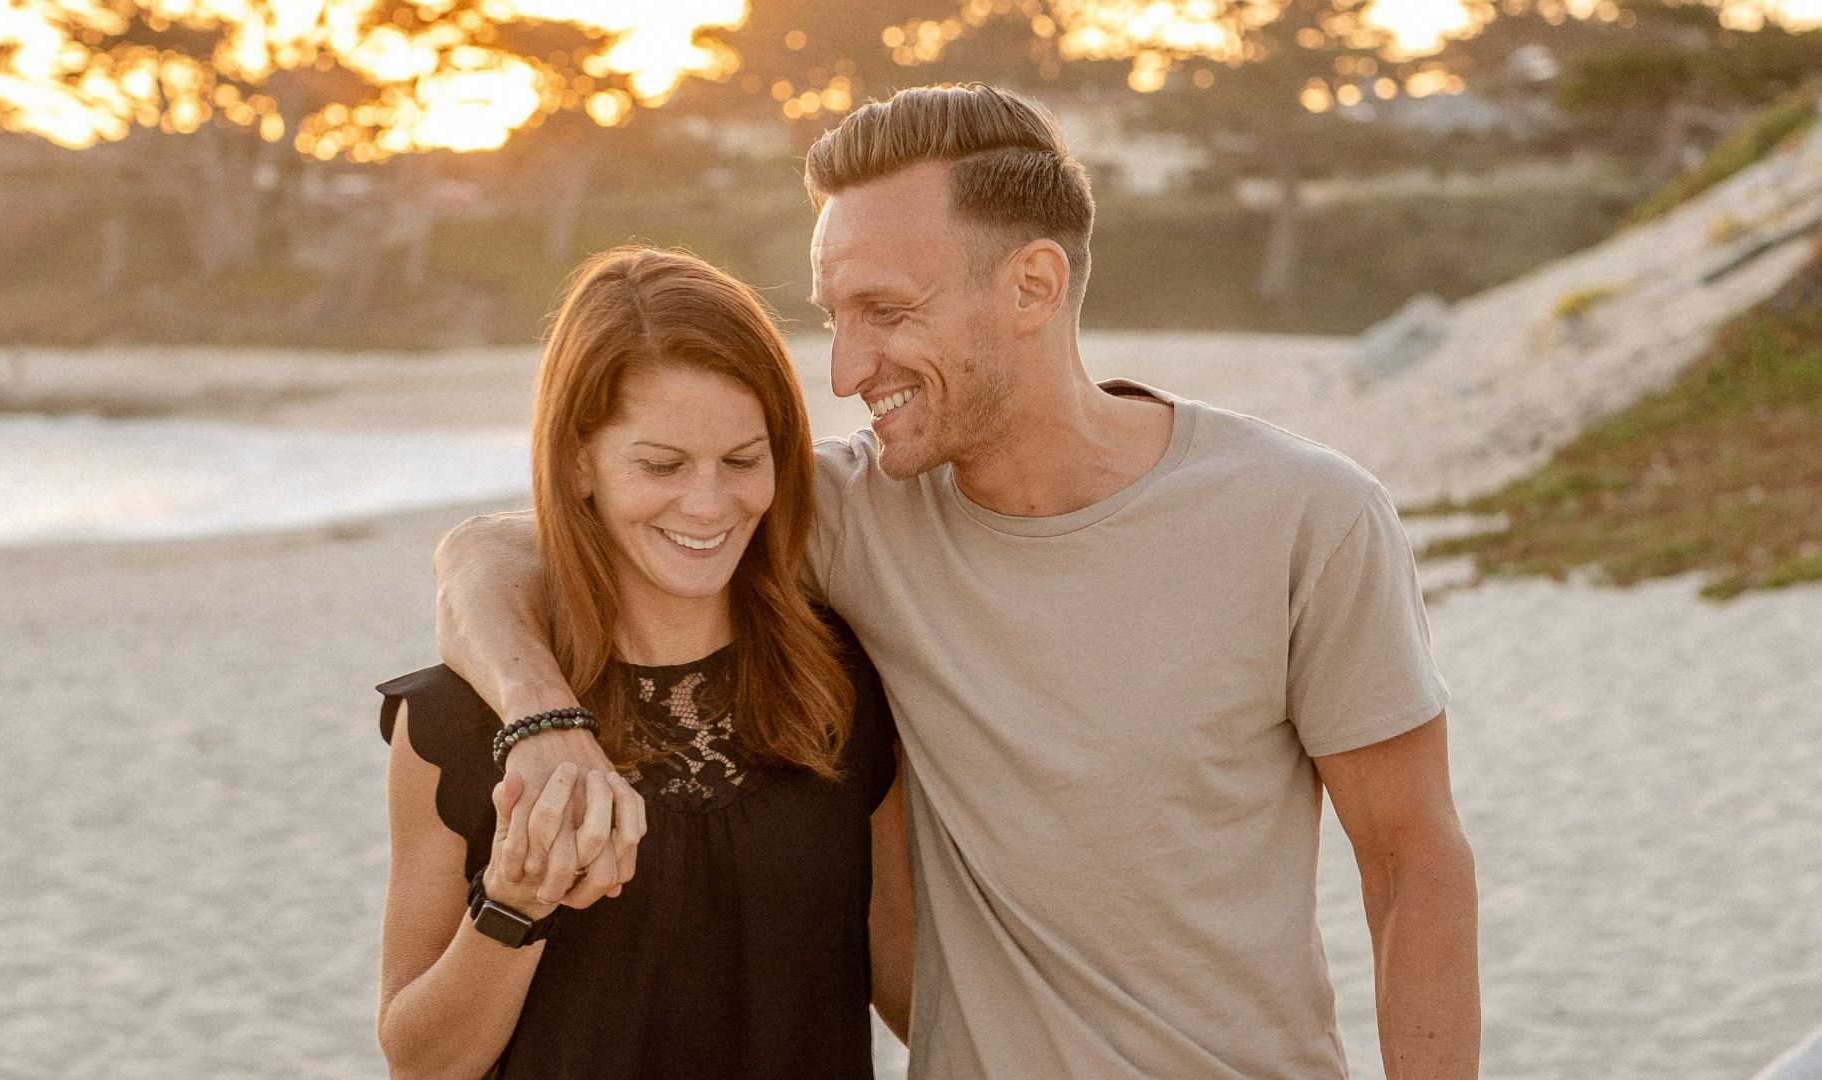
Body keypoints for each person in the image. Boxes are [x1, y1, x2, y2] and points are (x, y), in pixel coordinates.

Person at [432, 84, 1480, 1078]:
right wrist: (542, 718)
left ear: (1032, 286)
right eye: (833, 315)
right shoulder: (849, 514)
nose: (845, 370)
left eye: (885, 311)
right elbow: (488, 551)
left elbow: (1411, 866)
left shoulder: (1308, 516)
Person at [374, 247, 914, 1080]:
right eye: (661, 465)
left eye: (743, 459)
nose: (708, 504)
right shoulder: (451, 723)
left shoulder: (844, 688)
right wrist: (515, 906)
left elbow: (915, 994)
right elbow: (421, 1062)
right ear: (580, 462)